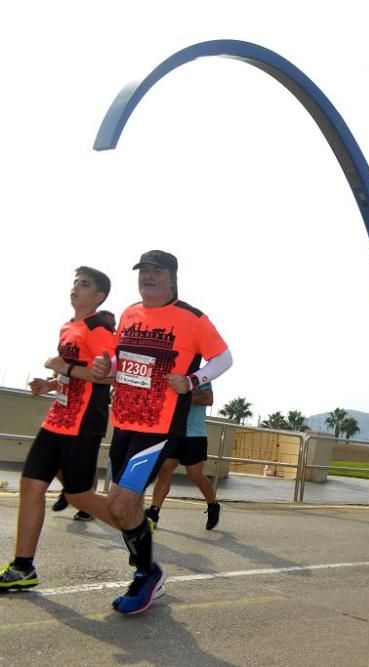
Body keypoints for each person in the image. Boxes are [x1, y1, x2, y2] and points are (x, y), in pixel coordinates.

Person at [90, 250, 232, 614]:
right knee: (121, 506)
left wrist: (192, 379)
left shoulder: (192, 318)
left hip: (159, 426)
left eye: (156, 271)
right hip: (123, 420)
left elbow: (223, 358)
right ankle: (147, 569)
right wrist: (109, 365)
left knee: (123, 504)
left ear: (172, 278)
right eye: (143, 271)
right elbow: (122, 357)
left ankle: (147, 575)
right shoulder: (129, 313)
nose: (148, 277)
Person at [1, 268, 117, 591]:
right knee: (31, 484)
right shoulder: (68, 327)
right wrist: (50, 383)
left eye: (85, 284)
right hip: (58, 418)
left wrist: (60, 366)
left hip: (84, 420)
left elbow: (105, 377)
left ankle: (133, 526)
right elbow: (71, 374)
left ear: (99, 296)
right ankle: (22, 567)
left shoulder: (101, 327)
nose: (76, 288)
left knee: (80, 495)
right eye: (75, 283)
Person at [146, 380, 221, 530]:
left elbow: (208, 399)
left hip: (194, 435)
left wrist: (184, 397)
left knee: (195, 475)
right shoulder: (172, 375)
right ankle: (153, 513)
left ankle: (213, 505)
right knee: (164, 470)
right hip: (173, 432)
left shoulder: (201, 378)